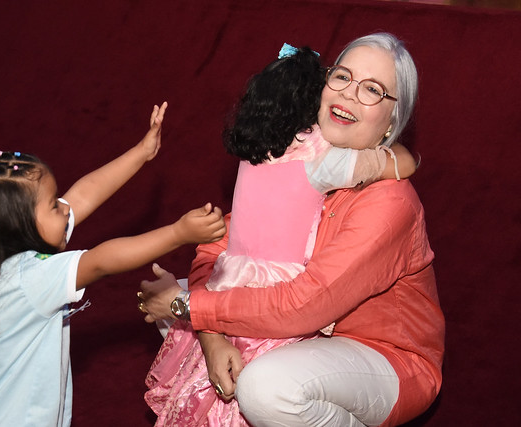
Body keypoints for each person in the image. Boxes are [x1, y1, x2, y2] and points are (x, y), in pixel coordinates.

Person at [140, 33, 444, 427]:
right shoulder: (288, 153)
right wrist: (212, 338)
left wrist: (188, 308)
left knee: (265, 387)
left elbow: (304, 306)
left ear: (391, 121)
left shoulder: (389, 203)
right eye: (342, 77)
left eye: (372, 89)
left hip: (381, 354)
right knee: (184, 301)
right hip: (312, 328)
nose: (350, 94)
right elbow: (218, 247)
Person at [0, 102, 227, 426]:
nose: (64, 207)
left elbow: (82, 196)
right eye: (53, 205)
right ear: (17, 229)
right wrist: (177, 233)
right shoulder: (30, 277)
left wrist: (141, 152)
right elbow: (100, 261)